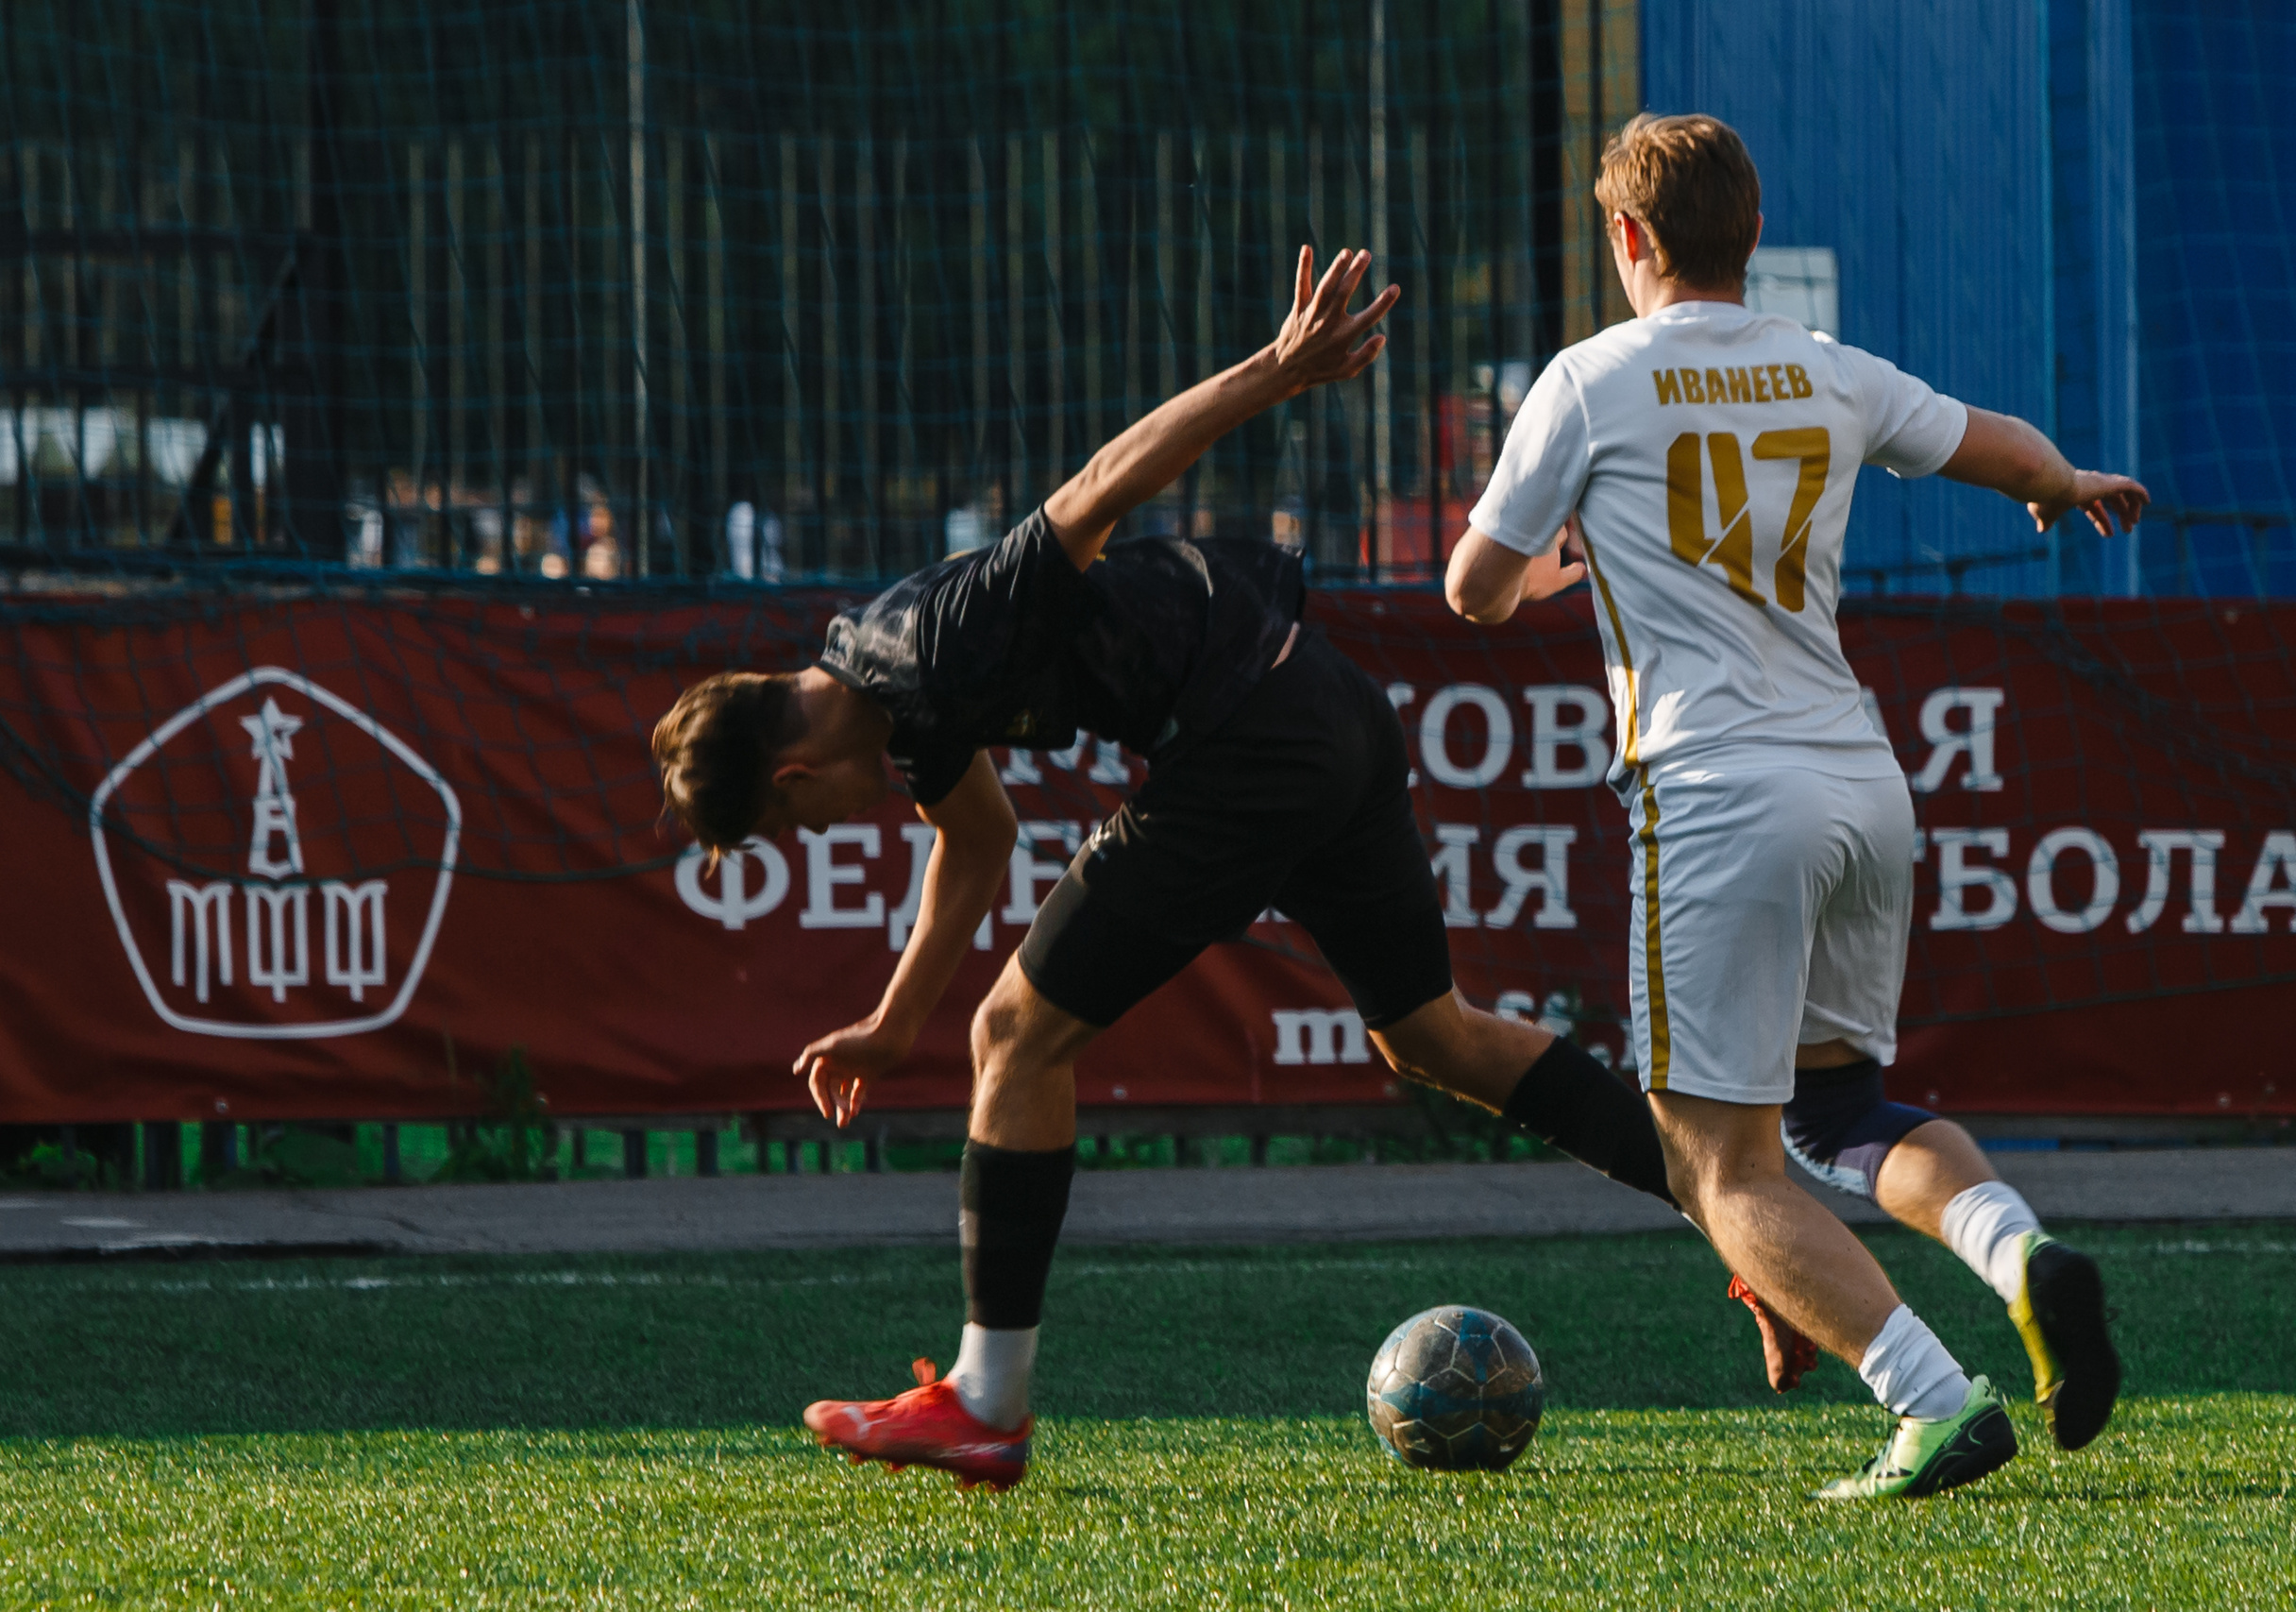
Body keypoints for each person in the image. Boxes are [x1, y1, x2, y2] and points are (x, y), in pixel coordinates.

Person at [651, 247, 1680, 1492]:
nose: (821, 837)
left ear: (792, 780)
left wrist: (1280, 369)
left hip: (1253, 734)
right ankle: (1732, 1215)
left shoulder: (928, 646)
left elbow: (1098, 488)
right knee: (1435, 1041)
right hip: (1326, 709)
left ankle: (986, 1405)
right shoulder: (889, 697)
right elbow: (977, 843)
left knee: (1019, 1037)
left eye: (793, 829)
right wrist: (890, 1022)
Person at [1443, 112, 2141, 1499]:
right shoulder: (1824, 369)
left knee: (1717, 1165)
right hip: (1861, 785)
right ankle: (2022, 1254)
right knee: (1840, 1111)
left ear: (1629, 240)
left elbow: (1471, 587)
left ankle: (1933, 1402)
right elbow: (1991, 445)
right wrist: (2067, 480)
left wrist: (1555, 565)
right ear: (1750, 237)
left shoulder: (1590, 381)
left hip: (1714, 795)